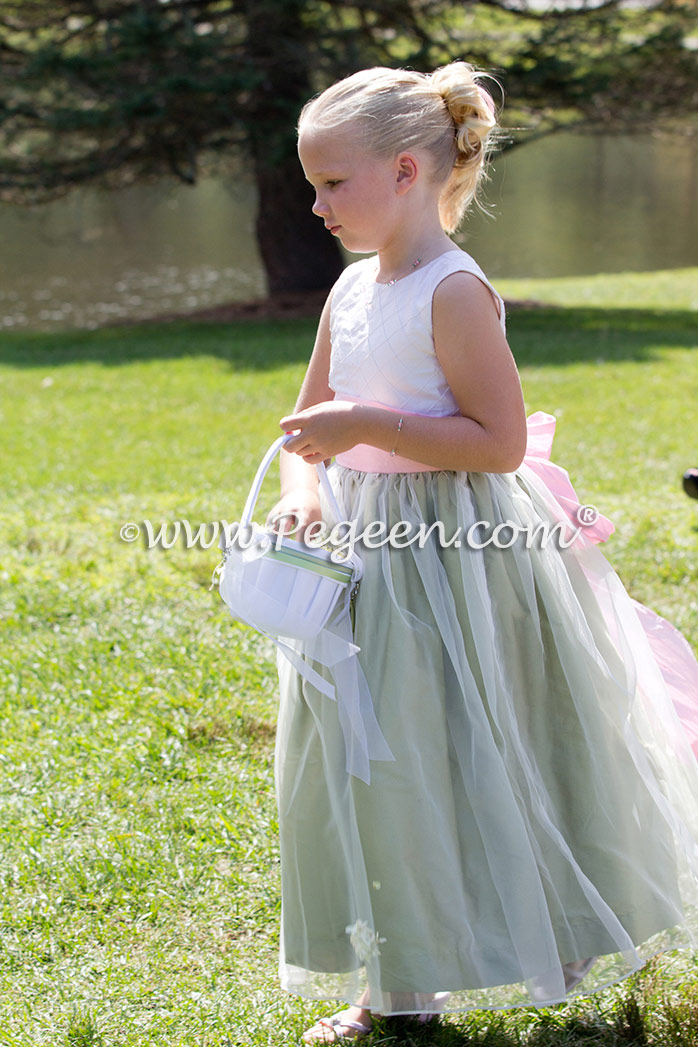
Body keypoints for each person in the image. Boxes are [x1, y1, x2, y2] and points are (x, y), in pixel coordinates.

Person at [265, 61, 698, 1043]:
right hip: (366, 556)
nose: (316, 203)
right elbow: (303, 426)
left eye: (334, 183)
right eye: (312, 183)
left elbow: (495, 441)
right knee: (377, 762)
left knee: (479, 746)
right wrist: (303, 491)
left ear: (408, 171)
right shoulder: (347, 291)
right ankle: (400, 981)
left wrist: (371, 421)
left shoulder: (453, 291)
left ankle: (569, 916)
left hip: (457, 552)